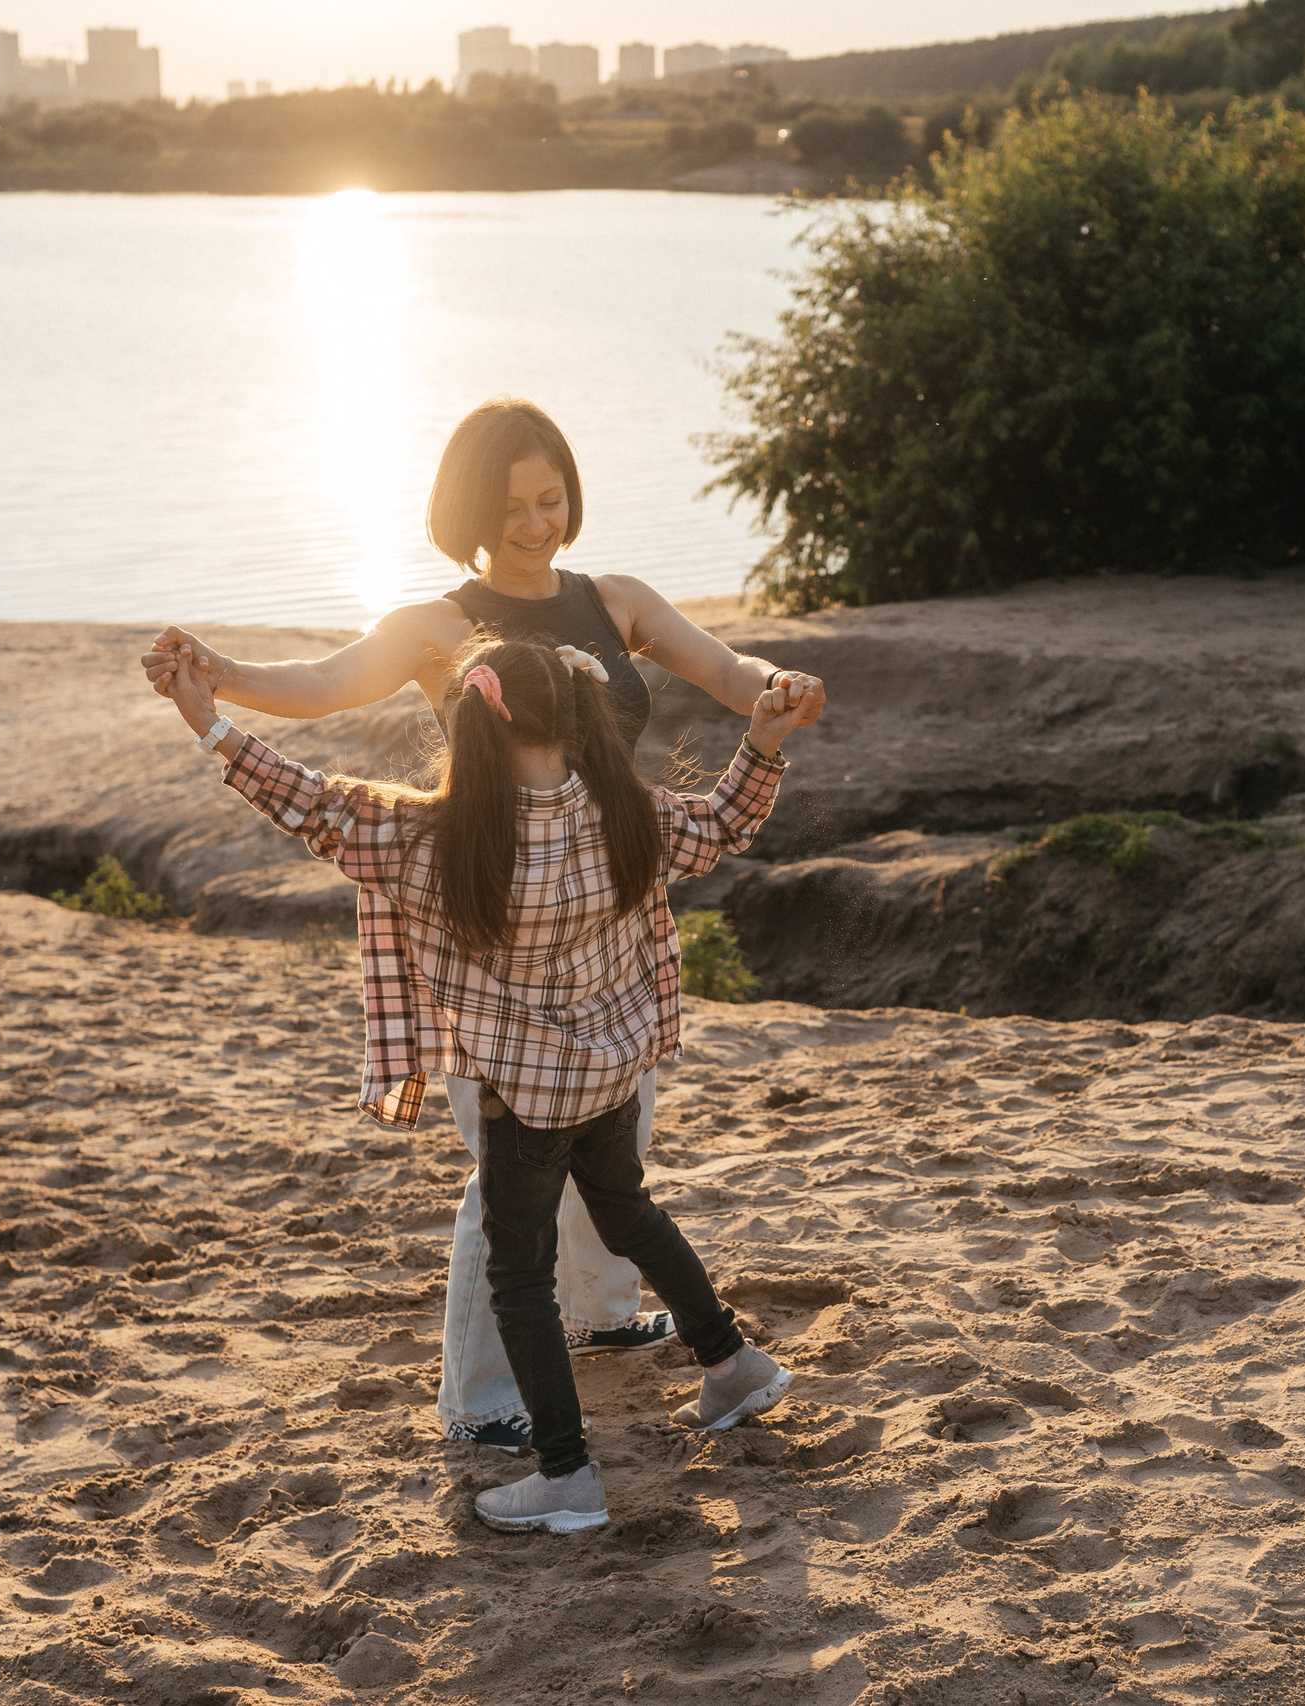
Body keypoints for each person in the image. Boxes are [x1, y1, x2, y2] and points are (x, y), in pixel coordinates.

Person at [143, 397, 826, 1454]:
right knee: (504, 1185)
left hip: (608, 902)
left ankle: (600, 1314)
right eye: (512, 503)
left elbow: (726, 673)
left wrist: (772, 693)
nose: (536, 520)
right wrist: (216, 679)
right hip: (492, 924)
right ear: (470, 506)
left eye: (551, 497)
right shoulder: (438, 626)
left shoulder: (617, 598)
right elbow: (320, 687)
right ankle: (479, 1392)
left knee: (620, 1144)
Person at [164, 634, 819, 1533]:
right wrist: (764, 745)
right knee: (630, 1215)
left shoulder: (433, 839)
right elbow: (724, 823)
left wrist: (209, 722)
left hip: (524, 1100)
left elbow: (309, 803)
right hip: (613, 1074)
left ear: (471, 723)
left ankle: (566, 1474)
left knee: (519, 1278)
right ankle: (734, 1365)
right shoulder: (630, 813)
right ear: (576, 708)